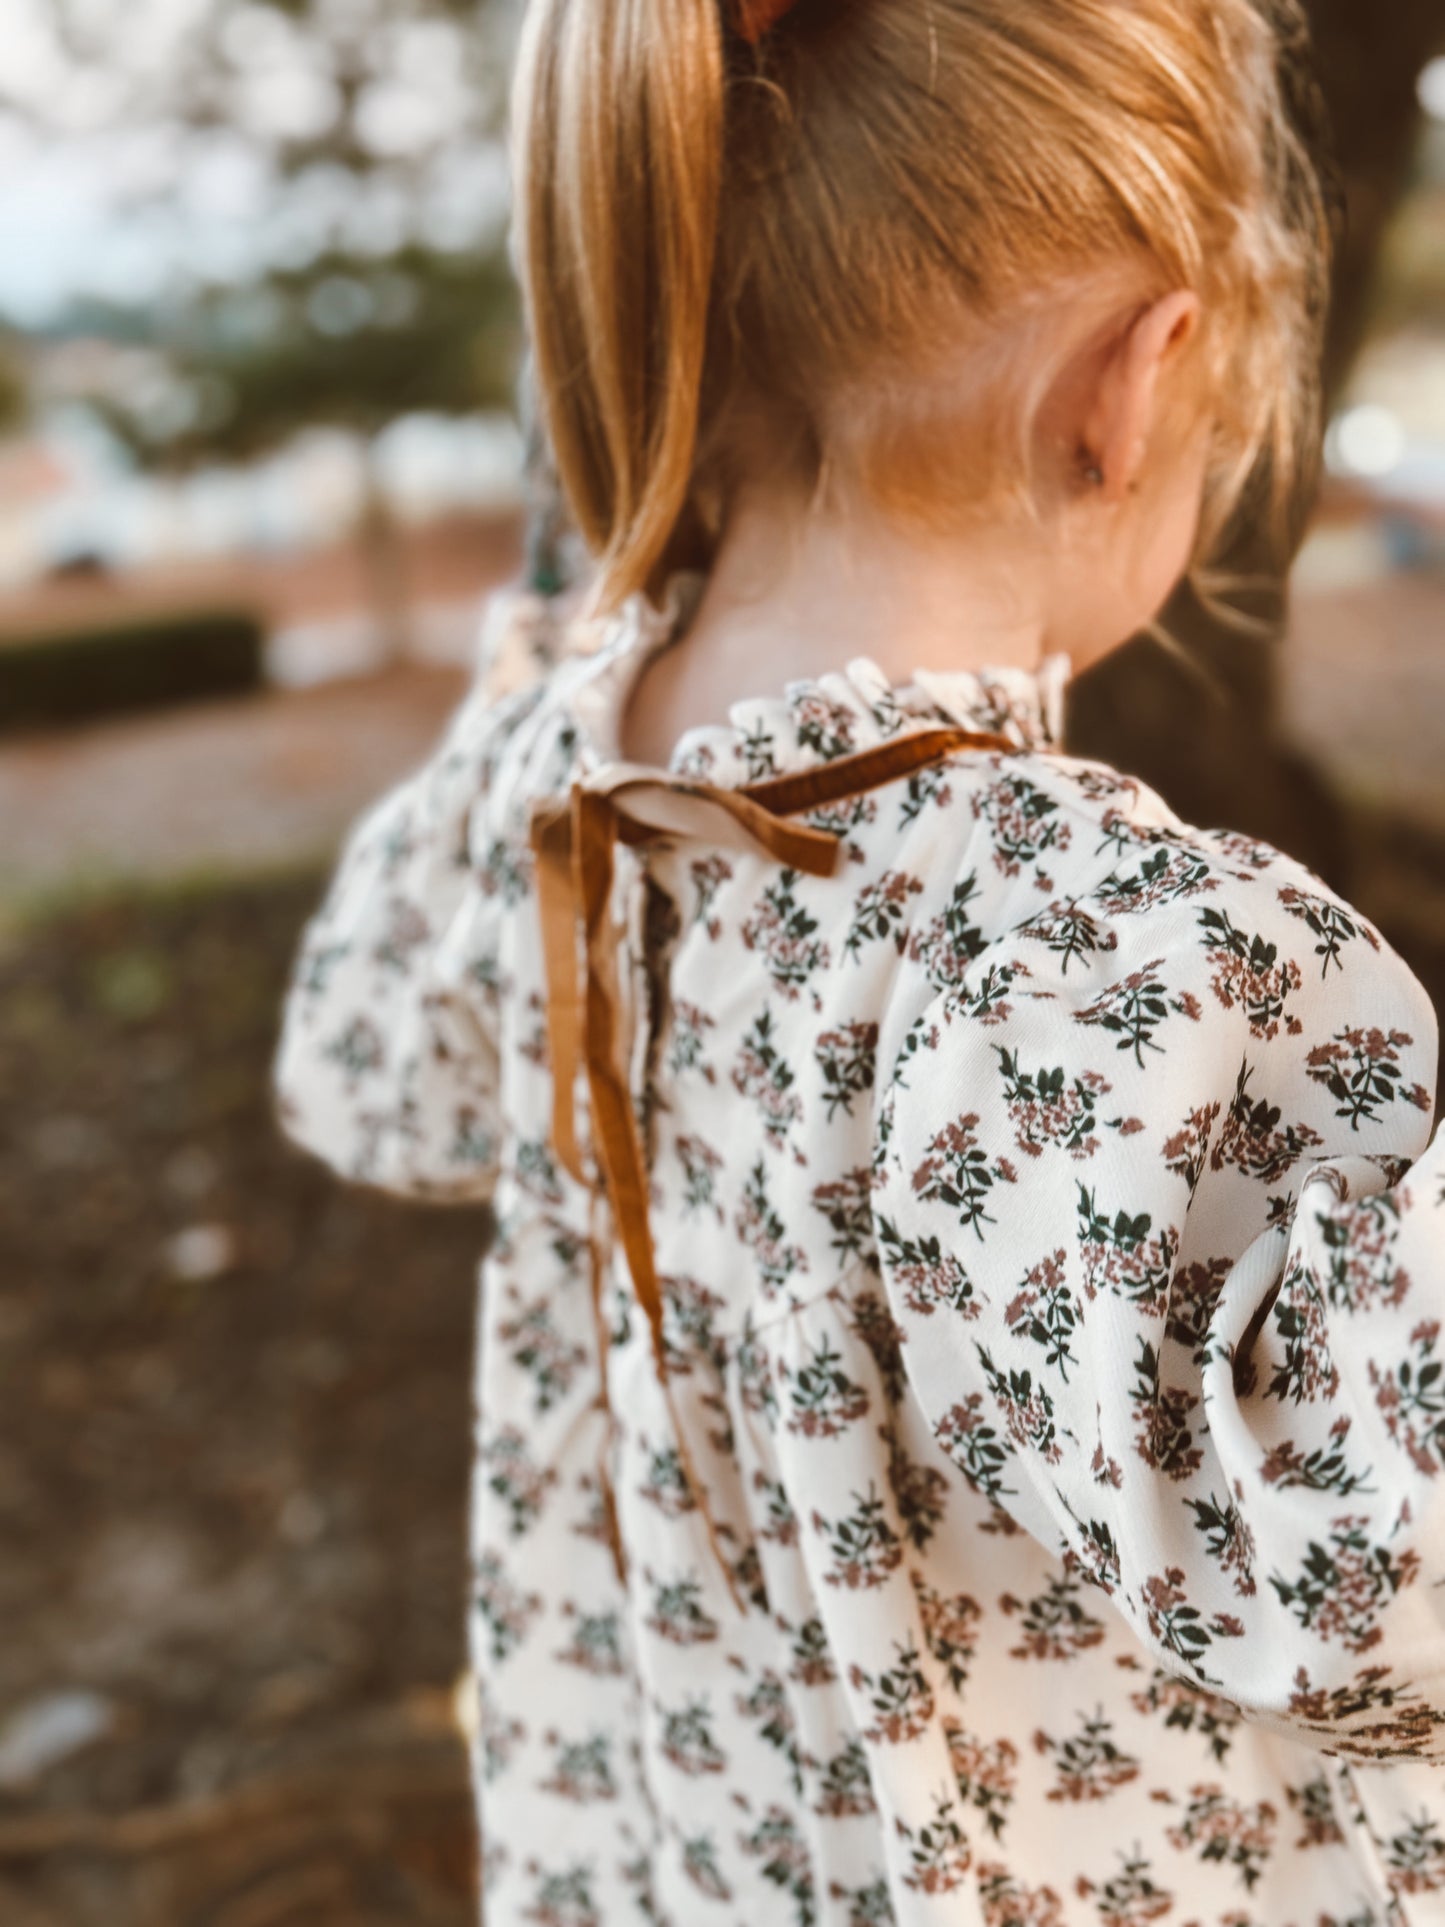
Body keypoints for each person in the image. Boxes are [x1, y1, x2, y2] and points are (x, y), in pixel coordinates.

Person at [272, 0, 1445, 1920]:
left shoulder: (545, 780)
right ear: (1135, 383)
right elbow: (1358, 1576)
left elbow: (360, 1074)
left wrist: (562, 648)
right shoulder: (1087, 962)